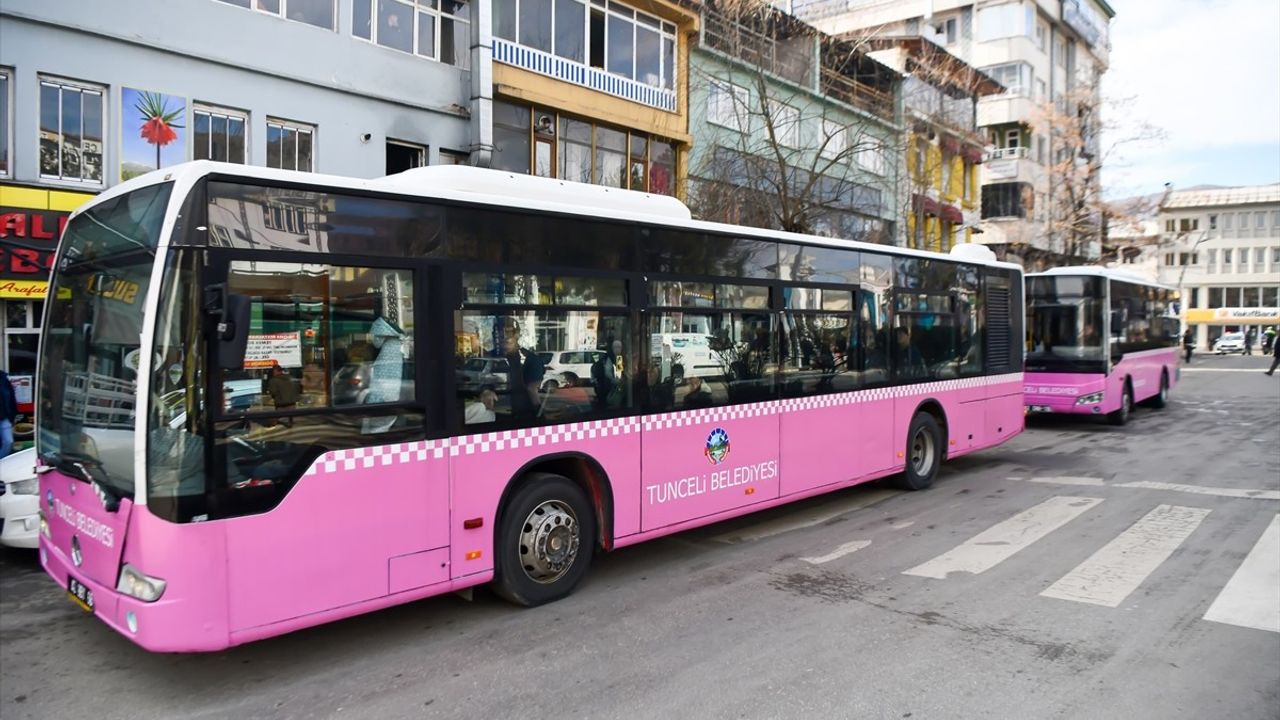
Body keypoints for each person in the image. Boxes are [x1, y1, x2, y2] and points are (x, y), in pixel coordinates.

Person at [502, 331, 545, 419]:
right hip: (518, 406)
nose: (505, 346)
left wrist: (539, 412)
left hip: (526, 411)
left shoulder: (527, 358)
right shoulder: (511, 356)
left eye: (508, 343)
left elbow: (531, 388)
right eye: (504, 343)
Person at [0, 370, 16, 459]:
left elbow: (11, 397)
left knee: (8, 441)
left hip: (4, 416)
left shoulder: (3, 378)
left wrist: (12, 415)